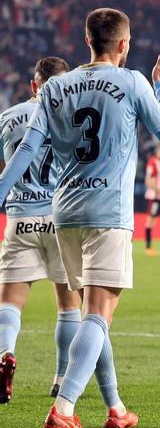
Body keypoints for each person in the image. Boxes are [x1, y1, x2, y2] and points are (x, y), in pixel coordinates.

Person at [0, 8, 160, 428]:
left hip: (64, 213)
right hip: (108, 213)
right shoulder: (133, 81)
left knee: (91, 317)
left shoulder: (56, 87)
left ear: (87, 41)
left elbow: (26, 150)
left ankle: (115, 408)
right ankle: (63, 410)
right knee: (98, 316)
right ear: (123, 44)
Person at [0, 57, 82, 403]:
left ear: (34, 85)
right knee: (68, 305)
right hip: (60, 218)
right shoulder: (73, 120)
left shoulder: (6, 118)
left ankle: (5, 354)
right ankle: (62, 375)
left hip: (20, 218)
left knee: (9, 303)